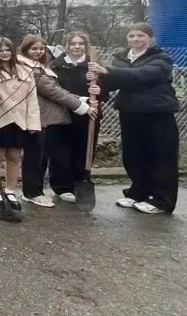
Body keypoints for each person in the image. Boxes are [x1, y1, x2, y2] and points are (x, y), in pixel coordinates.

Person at [88, 23, 180, 214]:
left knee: (161, 157)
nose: (136, 40)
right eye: (132, 36)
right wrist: (98, 84)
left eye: (141, 36)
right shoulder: (122, 59)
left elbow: (146, 75)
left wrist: (108, 71)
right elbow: (114, 82)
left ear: (150, 38)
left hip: (157, 113)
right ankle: (138, 193)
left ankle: (162, 201)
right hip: (130, 113)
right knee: (134, 156)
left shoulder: (161, 57)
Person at [17, 35, 93, 208]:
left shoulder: (41, 66)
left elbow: (57, 90)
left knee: (43, 155)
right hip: (39, 118)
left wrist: (80, 98)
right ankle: (32, 192)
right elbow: (52, 92)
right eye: (34, 49)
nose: (38, 52)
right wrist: (81, 107)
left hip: (47, 117)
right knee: (36, 156)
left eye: (41, 49)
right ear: (25, 49)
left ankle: (34, 190)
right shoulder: (28, 68)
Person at [0, 37, 41, 209]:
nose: (4, 53)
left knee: (15, 156)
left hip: (20, 121)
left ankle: (10, 190)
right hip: (0, 120)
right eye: (0, 50)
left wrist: (33, 124)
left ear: (12, 51)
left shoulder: (25, 71)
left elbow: (32, 99)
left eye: (7, 49)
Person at [49, 32, 103, 201]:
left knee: (84, 149)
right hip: (62, 112)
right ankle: (62, 186)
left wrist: (99, 90)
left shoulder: (94, 66)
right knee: (60, 150)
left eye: (81, 44)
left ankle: (81, 181)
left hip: (89, 114)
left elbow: (107, 90)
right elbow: (53, 90)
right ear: (67, 45)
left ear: (86, 46)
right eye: (73, 43)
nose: (77, 47)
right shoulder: (55, 66)